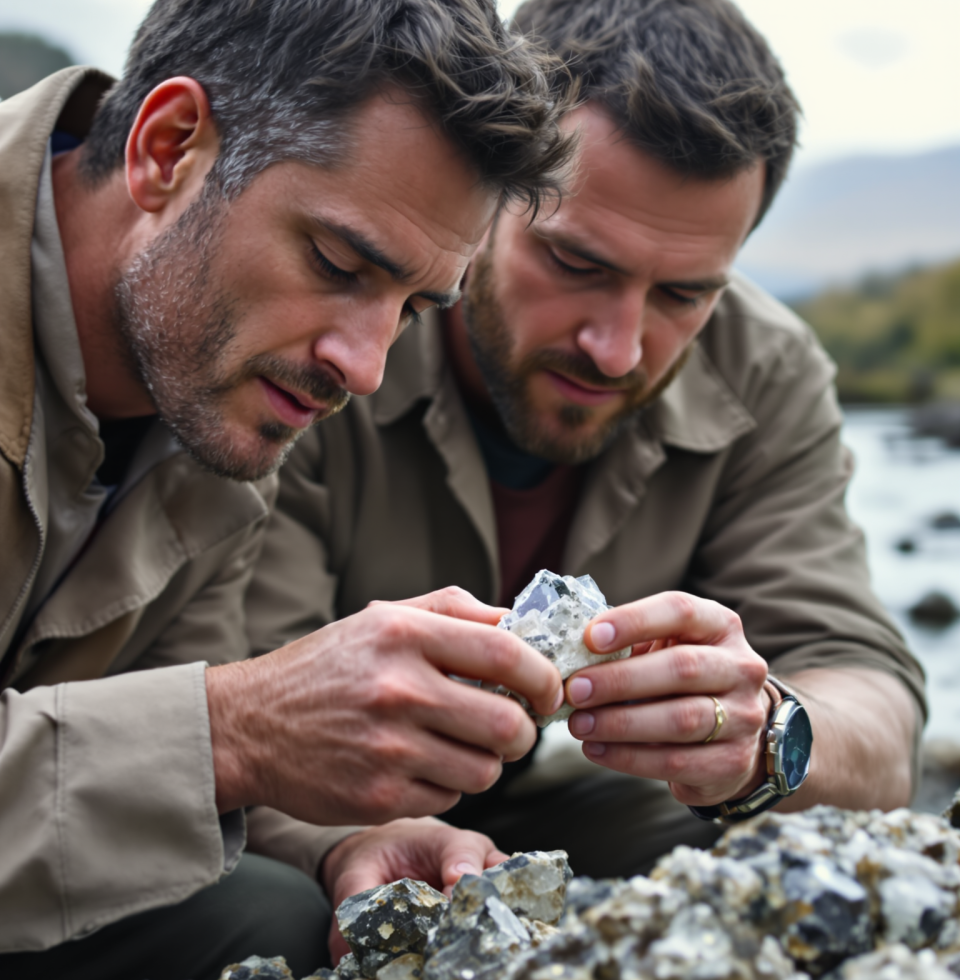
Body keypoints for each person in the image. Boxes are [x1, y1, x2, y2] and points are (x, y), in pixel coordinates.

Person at [246, 0, 926, 887]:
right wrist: (342, 847)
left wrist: (765, 738)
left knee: (772, 868)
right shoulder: (332, 333)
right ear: (485, 195)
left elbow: (867, 697)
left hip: (562, 806)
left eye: (684, 295)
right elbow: (225, 693)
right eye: (576, 264)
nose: (619, 347)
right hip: (313, 812)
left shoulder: (767, 370)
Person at [0, 1, 576, 976]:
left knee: (287, 913)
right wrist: (237, 726)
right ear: (169, 147)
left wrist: (343, 837)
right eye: (338, 263)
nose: (363, 367)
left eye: (411, 309)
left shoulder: (213, 392)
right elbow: (192, 732)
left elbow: (140, 729)